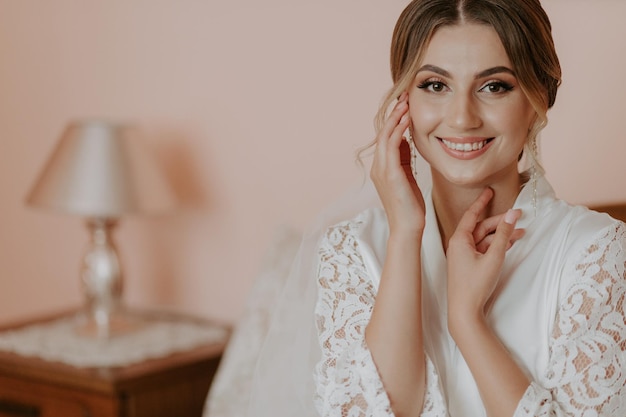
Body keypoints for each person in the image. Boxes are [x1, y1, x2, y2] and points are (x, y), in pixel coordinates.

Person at [312, 0, 626, 416]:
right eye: (435, 86)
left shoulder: (596, 253)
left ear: (538, 100)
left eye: (494, 86)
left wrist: (467, 322)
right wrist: (405, 234)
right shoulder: (351, 250)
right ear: (404, 99)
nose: (462, 118)